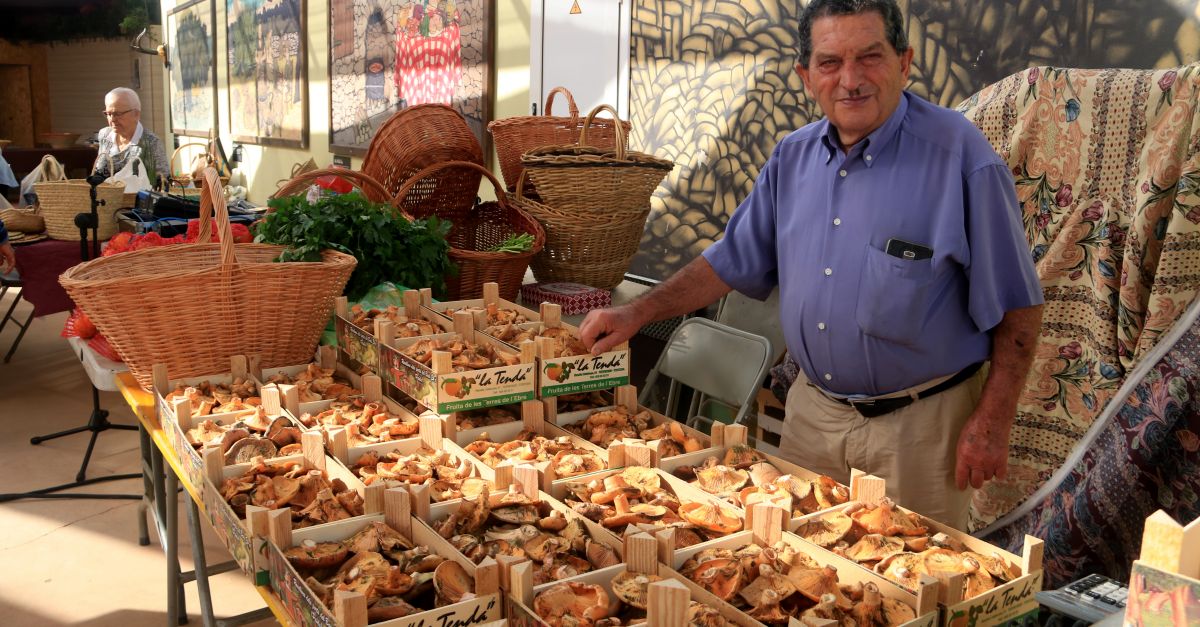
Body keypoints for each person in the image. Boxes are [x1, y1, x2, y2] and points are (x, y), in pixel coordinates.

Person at [580, 0, 1044, 528]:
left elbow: (1019, 308)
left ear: (904, 62)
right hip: (812, 418)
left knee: (914, 591)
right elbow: (729, 262)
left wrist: (994, 421)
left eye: (870, 57)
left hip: (920, 431)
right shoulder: (792, 158)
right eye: (830, 62)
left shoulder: (962, 158)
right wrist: (637, 313)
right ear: (806, 75)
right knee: (800, 585)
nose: (851, 80)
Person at [91, 87, 169, 189]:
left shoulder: (151, 143)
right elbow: (97, 171)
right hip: (105, 200)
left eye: (118, 114)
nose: (112, 119)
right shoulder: (105, 135)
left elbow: (163, 184)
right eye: (108, 114)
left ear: (136, 114)